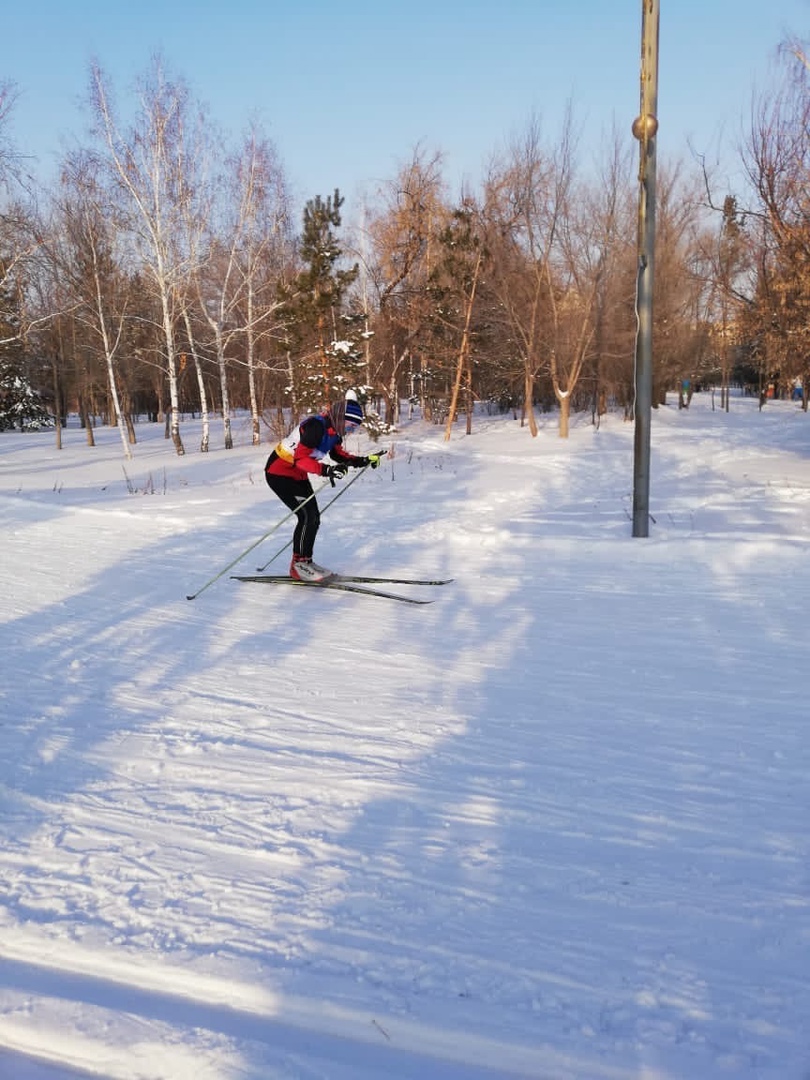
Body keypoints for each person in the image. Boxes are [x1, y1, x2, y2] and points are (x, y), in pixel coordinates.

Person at [264, 398, 381, 581]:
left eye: (355, 427)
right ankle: (298, 566)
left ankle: (306, 562)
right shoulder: (316, 427)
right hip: (279, 473)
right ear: (340, 418)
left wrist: (363, 460)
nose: (351, 430)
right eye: (350, 425)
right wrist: (326, 470)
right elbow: (300, 459)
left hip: (298, 475)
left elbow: (338, 454)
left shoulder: (335, 431)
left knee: (313, 518)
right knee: (306, 516)